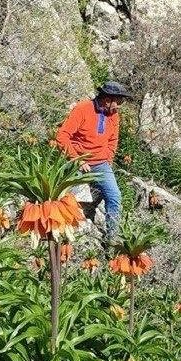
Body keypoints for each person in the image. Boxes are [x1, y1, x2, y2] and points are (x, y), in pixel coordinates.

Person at [55, 81, 131, 246]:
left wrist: (108, 159)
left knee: (114, 196)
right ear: (106, 99)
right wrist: (77, 159)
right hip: (76, 161)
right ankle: (62, 235)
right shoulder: (82, 109)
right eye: (118, 101)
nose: (119, 105)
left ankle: (111, 239)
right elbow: (62, 136)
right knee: (70, 199)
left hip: (101, 163)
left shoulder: (114, 115)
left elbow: (113, 140)